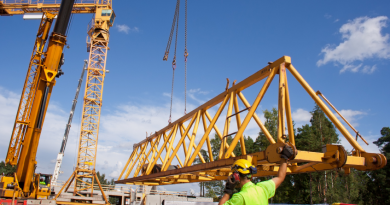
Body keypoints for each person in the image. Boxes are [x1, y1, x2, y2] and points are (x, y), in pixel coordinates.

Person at [219, 145, 293, 205]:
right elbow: (280, 177)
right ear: (251, 175)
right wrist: (285, 157)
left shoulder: (240, 197)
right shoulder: (263, 188)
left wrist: (228, 191)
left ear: (236, 177)